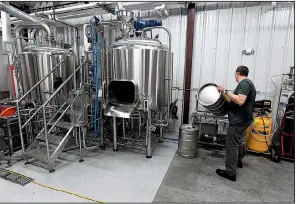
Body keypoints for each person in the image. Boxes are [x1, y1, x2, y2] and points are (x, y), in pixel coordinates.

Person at [216, 66, 256, 182]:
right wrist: (225, 95)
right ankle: (238, 161)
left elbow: (240, 100)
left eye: (235, 74)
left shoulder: (244, 84)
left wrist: (226, 91)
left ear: (238, 73)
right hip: (243, 119)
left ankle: (230, 173)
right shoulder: (247, 84)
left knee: (231, 144)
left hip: (239, 120)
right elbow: (235, 100)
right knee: (237, 141)